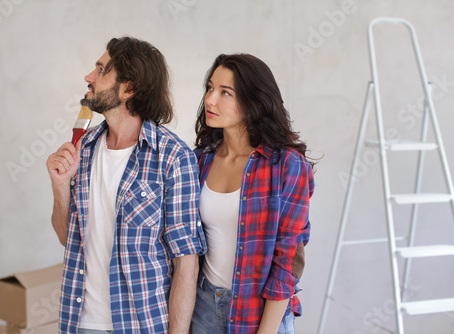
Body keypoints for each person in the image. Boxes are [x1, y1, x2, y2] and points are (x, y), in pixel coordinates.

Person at [46, 36, 206, 334]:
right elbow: (67, 239)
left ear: (129, 88)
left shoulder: (173, 158)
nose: (88, 78)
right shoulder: (85, 148)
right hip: (79, 322)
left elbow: (186, 262)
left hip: (140, 325)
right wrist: (59, 186)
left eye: (101, 70)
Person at [190, 54, 314, 334]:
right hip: (203, 310)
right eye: (210, 88)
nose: (210, 100)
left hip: (261, 315)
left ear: (253, 101)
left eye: (225, 93)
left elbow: (287, 263)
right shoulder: (199, 161)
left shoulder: (287, 166)